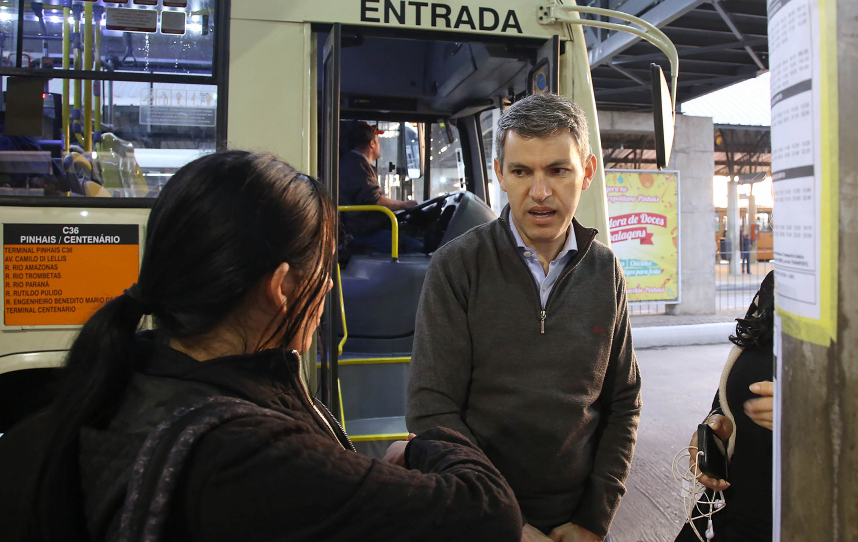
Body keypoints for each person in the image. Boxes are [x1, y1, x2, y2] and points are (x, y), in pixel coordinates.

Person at [0, 151, 522, 541]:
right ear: (281, 289)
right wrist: (422, 445)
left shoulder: (117, 381)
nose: (327, 295)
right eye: (325, 273)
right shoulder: (249, 455)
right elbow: (488, 512)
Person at [407, 93, 641, 542]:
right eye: (521, 171)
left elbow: (623, 399)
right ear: (499, 174)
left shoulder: (604, 269)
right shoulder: (458, 266)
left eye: (558, 170)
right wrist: (508, 523)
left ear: (587, 172)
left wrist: (596, 519)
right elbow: (431, 409)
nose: (539, 192)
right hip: (480, 521)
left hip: (579, 526)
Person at [674, 270, 775, 542]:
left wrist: (814, 413)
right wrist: (718, 423)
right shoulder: (777, 284)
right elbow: (730, 393)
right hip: (737, 512)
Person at [339, 121, 423, 253]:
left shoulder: (353, 163)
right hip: (362, 233)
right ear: (372, 144)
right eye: (378, 141)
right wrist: (405, 205)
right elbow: (375, 200)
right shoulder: (356, 166)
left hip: (359, 229)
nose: (379, 145)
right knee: (416, 247)